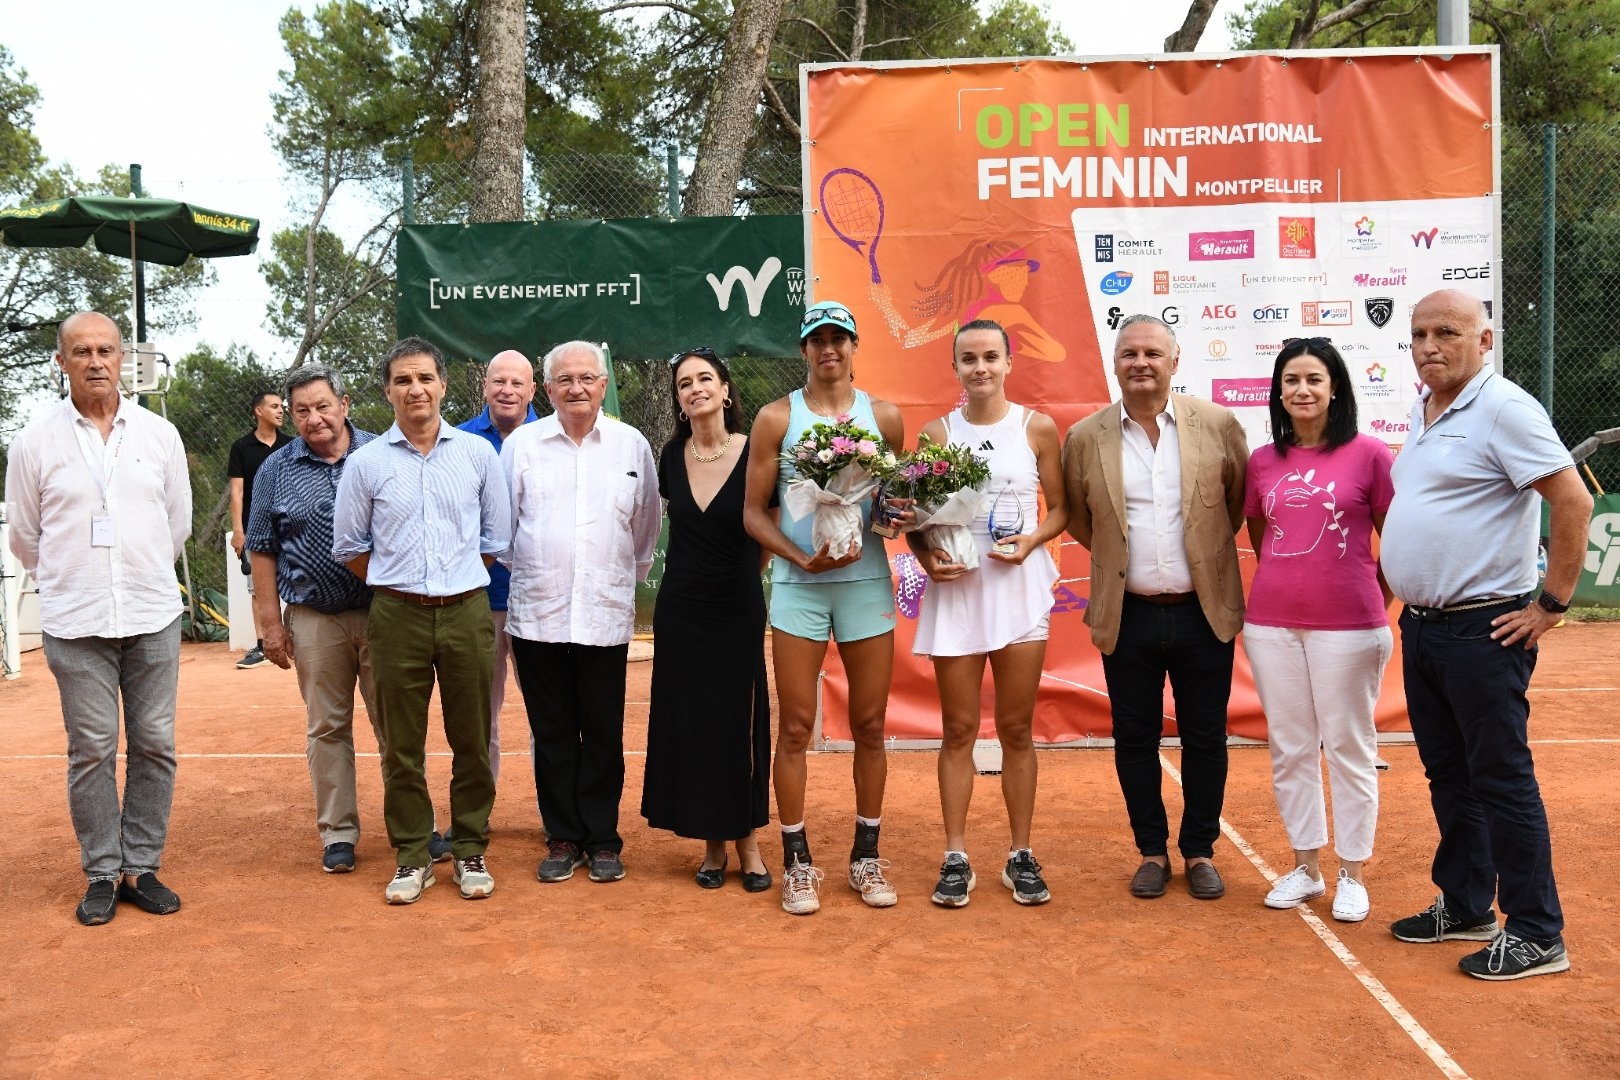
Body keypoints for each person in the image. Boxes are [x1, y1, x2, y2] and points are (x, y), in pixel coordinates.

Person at [1382, 289, 1591, 980]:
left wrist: (1552, 603)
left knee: (1500, 778)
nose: (1429, 345)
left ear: (1485, 339)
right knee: (1450, 775)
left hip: (1484, 630)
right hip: (1427, 628)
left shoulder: (1503, 408)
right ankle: (1467, 903)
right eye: (1419, 334)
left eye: (1447, 331)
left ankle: (1536, 932)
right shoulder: (1425, 409)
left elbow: (1573, 499)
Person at [5, 311, 192, 925]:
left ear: (122, 360)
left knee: (155, 744)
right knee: (91, 748)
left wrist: (136, 570)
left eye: (106, 350)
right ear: (61, 362)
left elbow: (177, 526)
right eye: (81, 351)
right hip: (76, 620)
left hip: (151, 613)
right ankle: (101, 871)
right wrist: (73, 577)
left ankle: (141, 865)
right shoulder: (34, 441)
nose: (95, 361)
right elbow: (26, 536)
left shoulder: (160, 435)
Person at [1061, 313, 1248, 901]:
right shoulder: (1086, 436)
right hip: (1129, 613)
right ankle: (1150, 851)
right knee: (1133, 738)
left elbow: (1235, 504)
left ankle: (1198, 851)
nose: (1140, 362)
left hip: (1202, 611)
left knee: (1206, 738)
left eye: (1152, 352)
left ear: (1175, 359)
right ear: (1115, 362)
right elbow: (1083, 519)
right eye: (1128, 353)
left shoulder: (1217, 424)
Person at [331, 337, 510, 905]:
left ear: (443, 386)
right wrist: (403, 584)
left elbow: (493, 541)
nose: (416, 390)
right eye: (403, 380)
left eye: (425, 378)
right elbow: (352, 546)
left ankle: (470, 847)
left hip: (466, 612)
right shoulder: (365, 464)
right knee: (401, 745)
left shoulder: (478, 456)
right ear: (387, 391)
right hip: (396, 616)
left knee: (472, 739)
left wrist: (451, 584)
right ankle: (412, 855)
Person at [743, 300, 907, 915]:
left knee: (868, 725)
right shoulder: (775, 417)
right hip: (798, 586)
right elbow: (753, 512)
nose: (828, 349)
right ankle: (798, 863)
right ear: (804, 349)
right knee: (794, 725)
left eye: (839, 338)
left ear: (854, 345)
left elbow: (893, 502)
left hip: (865, 582)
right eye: (818, 340)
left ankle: (865, 858)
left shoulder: (884, 416)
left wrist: (898, 518)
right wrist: (798, 556)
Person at [908, 319, 1068, 907]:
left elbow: (1061, 510)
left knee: (1017, 729)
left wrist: (1031, 543)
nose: (980, 368)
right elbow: (917, 521)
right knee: (957, 730)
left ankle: (1020, 854)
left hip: (1019, 589)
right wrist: (928, 559)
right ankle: (956, 857)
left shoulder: (1037, 428)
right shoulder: (934, 434)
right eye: (969, 359)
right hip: (958, 593)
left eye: (990, 357)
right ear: (955, 368)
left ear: (1008, 362)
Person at [1243, 338, 1395, 922]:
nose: (1302, 390)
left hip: (1349, 630)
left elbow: (1394, 542)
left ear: (1335, 388)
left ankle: (1352, 873)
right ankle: (1307, 867)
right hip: (1273, 626)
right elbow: (1263, 538)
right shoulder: (1263, 460)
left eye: (1313, 379)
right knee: (1291, 749)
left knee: (1351, 748)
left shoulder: (1370, 454)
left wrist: (1368, 601)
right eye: (1291, 381)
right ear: (1278, 392)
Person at [504, 341, 660, 886]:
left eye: (586, 378)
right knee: (551, 731)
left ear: (602, 384)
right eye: (564, 379)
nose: (576, 388)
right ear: (546, 390)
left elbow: (645, 528)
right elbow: (505, 529)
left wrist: (616, 580)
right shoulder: (522, 445)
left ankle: (602, 840)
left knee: (602, 731)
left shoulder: (630, 445)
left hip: (603, 614)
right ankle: (562, 837)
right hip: (537, 614)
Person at [642, 348, 772, 892]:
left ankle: (748, 842)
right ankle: (713, 846)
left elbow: (765, 533)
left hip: (735, 607)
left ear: (725, 390)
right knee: (694, 725)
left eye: (704, 380)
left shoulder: (757, 451)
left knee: (739, 725)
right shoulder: (670, 457)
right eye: (684, 383)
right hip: (681, 610)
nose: (694, 389)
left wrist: (738, 577)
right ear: (678, 400)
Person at [246, 364, 383, 875]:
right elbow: (261, 549)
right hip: (313, 617)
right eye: (301, 410)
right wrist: (270, 625)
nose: (314, 418)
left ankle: (412, 824)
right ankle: (339, 833)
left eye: (323, 406)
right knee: (327, 727)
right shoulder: (275, 469)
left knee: (396, 724)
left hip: (383, 613)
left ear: (344, 405)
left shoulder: (381, 452)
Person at [429, 348, 540, 862]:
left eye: (517, 382)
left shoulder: (553, 436)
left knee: (548, 715)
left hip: (542, 600)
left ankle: (556, 816)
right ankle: (478, 813)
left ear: (532, 390)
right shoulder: (459, 440)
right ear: (485, 387)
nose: (507, 391)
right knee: (481, 716)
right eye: (499, 381)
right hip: (479, 601)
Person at [228, 390, 290, 669]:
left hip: (290, 526)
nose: (281, 411)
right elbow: (237, 492)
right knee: (258, 588)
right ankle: (263, 645)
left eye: (282, 407)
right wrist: (239, 531)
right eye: (274, 406)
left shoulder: (293, 445)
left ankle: (295, 641)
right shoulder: (241, 447)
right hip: (256, 529)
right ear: (258, 411)